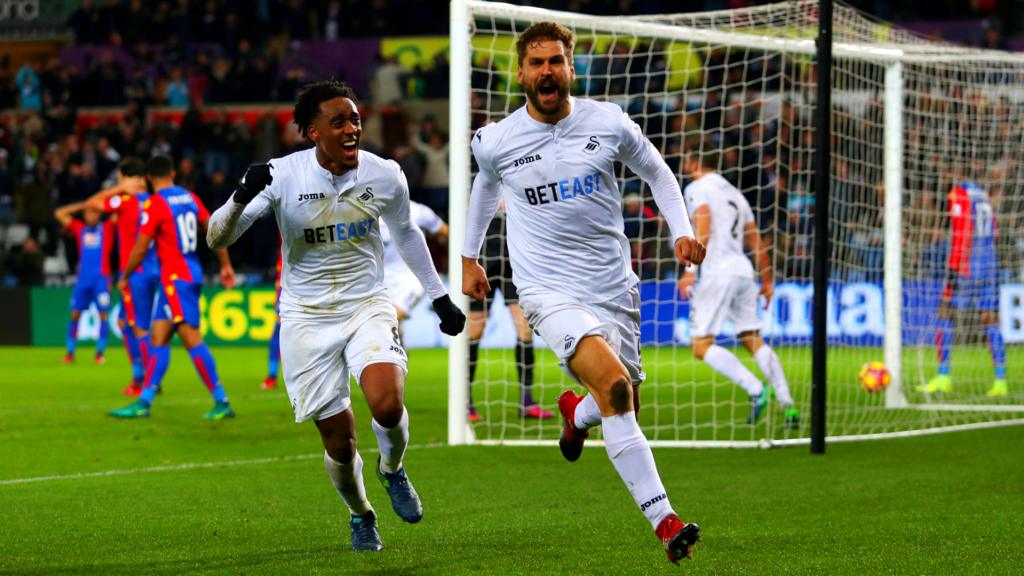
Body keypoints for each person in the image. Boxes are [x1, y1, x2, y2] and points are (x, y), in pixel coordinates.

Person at [461, 22, 705, 564]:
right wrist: (469, 258)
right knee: (616, 388)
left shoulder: (608, 122)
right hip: (546, 288)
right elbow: (484, 188)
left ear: (571, 68)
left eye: (556, 61)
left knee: (623, 396)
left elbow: (660, 174)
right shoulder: (497, 140)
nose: (547, 71)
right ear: (521, 73)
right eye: (537, 62)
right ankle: (664, 521)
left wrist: (681, 230)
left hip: (613, 286)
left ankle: (576, 416)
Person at [205, 81, 466, 553]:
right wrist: (242, 195)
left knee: (387, 404)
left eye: (356, 120)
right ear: (311, 132)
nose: (352, 130)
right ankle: (360, 513)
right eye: (339, 122)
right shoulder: (283, 176)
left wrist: (439, 295)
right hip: (305, 317)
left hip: (366, 302)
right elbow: (217, 238)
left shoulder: (385, 174)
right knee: (340, 444)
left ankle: (392, 470)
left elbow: (407, 233)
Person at [678, 146, 800, 428]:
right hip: (743, 271)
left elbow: (704, 222)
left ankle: (756, 389)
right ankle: (787, 402)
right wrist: (767, 280)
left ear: (693, 162)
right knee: (751, 338)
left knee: (700, 345)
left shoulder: (696, 187)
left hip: (718, 271)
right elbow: (756, 241)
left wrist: (691, 269)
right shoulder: (735, 194)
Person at [109, 154, 237, 420]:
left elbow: (141, 246)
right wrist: (225, 264)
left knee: (191, 339)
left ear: (148, 178)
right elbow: (213, 228)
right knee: (159, 337)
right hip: (187, 274)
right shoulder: (189, 197)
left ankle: (222, 400)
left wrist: (125, 275)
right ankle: (144, 402)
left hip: (177, 278)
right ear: (173, 173)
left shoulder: (157, 204)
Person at [467, 208, 554, 422]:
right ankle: (465, 400)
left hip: (514, 262)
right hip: (483, 260)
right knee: (476, 330)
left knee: (525, 329)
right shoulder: (474, 180)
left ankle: (527, 400)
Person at [923, 178, 1007, 397]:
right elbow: (994, 231)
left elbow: (962, 233)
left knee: (944, 311)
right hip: (989, 263)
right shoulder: (983, 195)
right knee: (989, 318)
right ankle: (1000, 381)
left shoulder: (958, 194)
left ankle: (943, 376)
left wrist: (953, 270)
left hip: (966, 266)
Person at [86, 157, 153, 396]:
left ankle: (146, 380)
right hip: (154, 270)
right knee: (127, 322)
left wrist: (120, 189)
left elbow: (93, 203)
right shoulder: (154, 201)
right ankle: (141, 377)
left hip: (134, 273)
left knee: (138, 327)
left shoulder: (124, 201)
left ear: (126, 178)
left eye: (119, 178)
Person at [54, 201, 116, 365]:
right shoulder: (79, 228)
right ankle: (70, 353)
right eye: (88, 213)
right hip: (83, 279)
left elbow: (121, 214)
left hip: (102, 278)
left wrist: (102, 204)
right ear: (84, 214)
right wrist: (82, 205)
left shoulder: (107, 228)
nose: (91, 216)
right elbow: (59, 213)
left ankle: (100, 353)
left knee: (103, 315)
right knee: (75, 314)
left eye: (94, 212)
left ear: (99, 214)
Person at [380, 199, 448, 330]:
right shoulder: (371, 214)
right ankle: (400, 349)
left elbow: (445, 231)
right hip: (385, 279)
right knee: (394, 329)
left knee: (389, 320)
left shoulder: (419, 211)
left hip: (414, 278)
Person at [262, 249, 282, 390]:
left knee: (279, 333)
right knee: (278, 332)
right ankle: (272, 375)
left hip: (295, 282)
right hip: (286, 284)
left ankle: (272, 376)